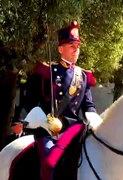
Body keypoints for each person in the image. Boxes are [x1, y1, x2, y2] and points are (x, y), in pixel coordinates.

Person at [24, 20, 102, 179]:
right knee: (49, 164)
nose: (76, 50)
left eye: (78, 47)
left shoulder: (84, 76)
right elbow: (30, 100)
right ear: (61, 49)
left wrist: (96, 121)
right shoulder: (47, 72)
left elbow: (88, 105)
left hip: (74, 130)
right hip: (48, 130)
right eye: (71, 46)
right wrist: (45, 120)